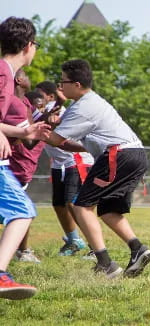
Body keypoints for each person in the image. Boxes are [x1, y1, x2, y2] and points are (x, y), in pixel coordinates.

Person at [45, 59, 150, 279]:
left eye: (62, 82)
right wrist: (56, 132)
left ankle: (105, 264)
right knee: (108, 210)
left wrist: (36, 131)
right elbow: (75, 144)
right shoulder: (90, 102)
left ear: (76, 84)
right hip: (133, 154)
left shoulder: (83, 107)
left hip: (118, 155)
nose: (60, 87)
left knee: (81, 206)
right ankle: (137, 249)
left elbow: (55, 140)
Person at [0, 16, 50, 300]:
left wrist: (25, 130)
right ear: (29, 45)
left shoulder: (5, 72)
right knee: (21, 209)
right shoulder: (4, 72)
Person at [35, 81, 93, 256]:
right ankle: (74, 241)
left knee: (73, 203)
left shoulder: (56, 109)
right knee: (59, 204)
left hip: (75, 160)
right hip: (58, 163)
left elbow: (53, 128)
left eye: (40, 95)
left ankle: (94, 246)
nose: (37, 98)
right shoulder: (41, 112)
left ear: (51, 97)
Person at [4, 69, 47, 263]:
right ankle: (22, 252)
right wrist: (43, 129)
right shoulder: (15, 104)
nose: (31, 80)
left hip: (22, 166)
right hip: (12, 165)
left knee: (20, 209)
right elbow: (28, 141)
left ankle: (22, 251)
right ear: (20, 80)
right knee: (22, 209)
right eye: (27, 76)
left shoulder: (26, 103)